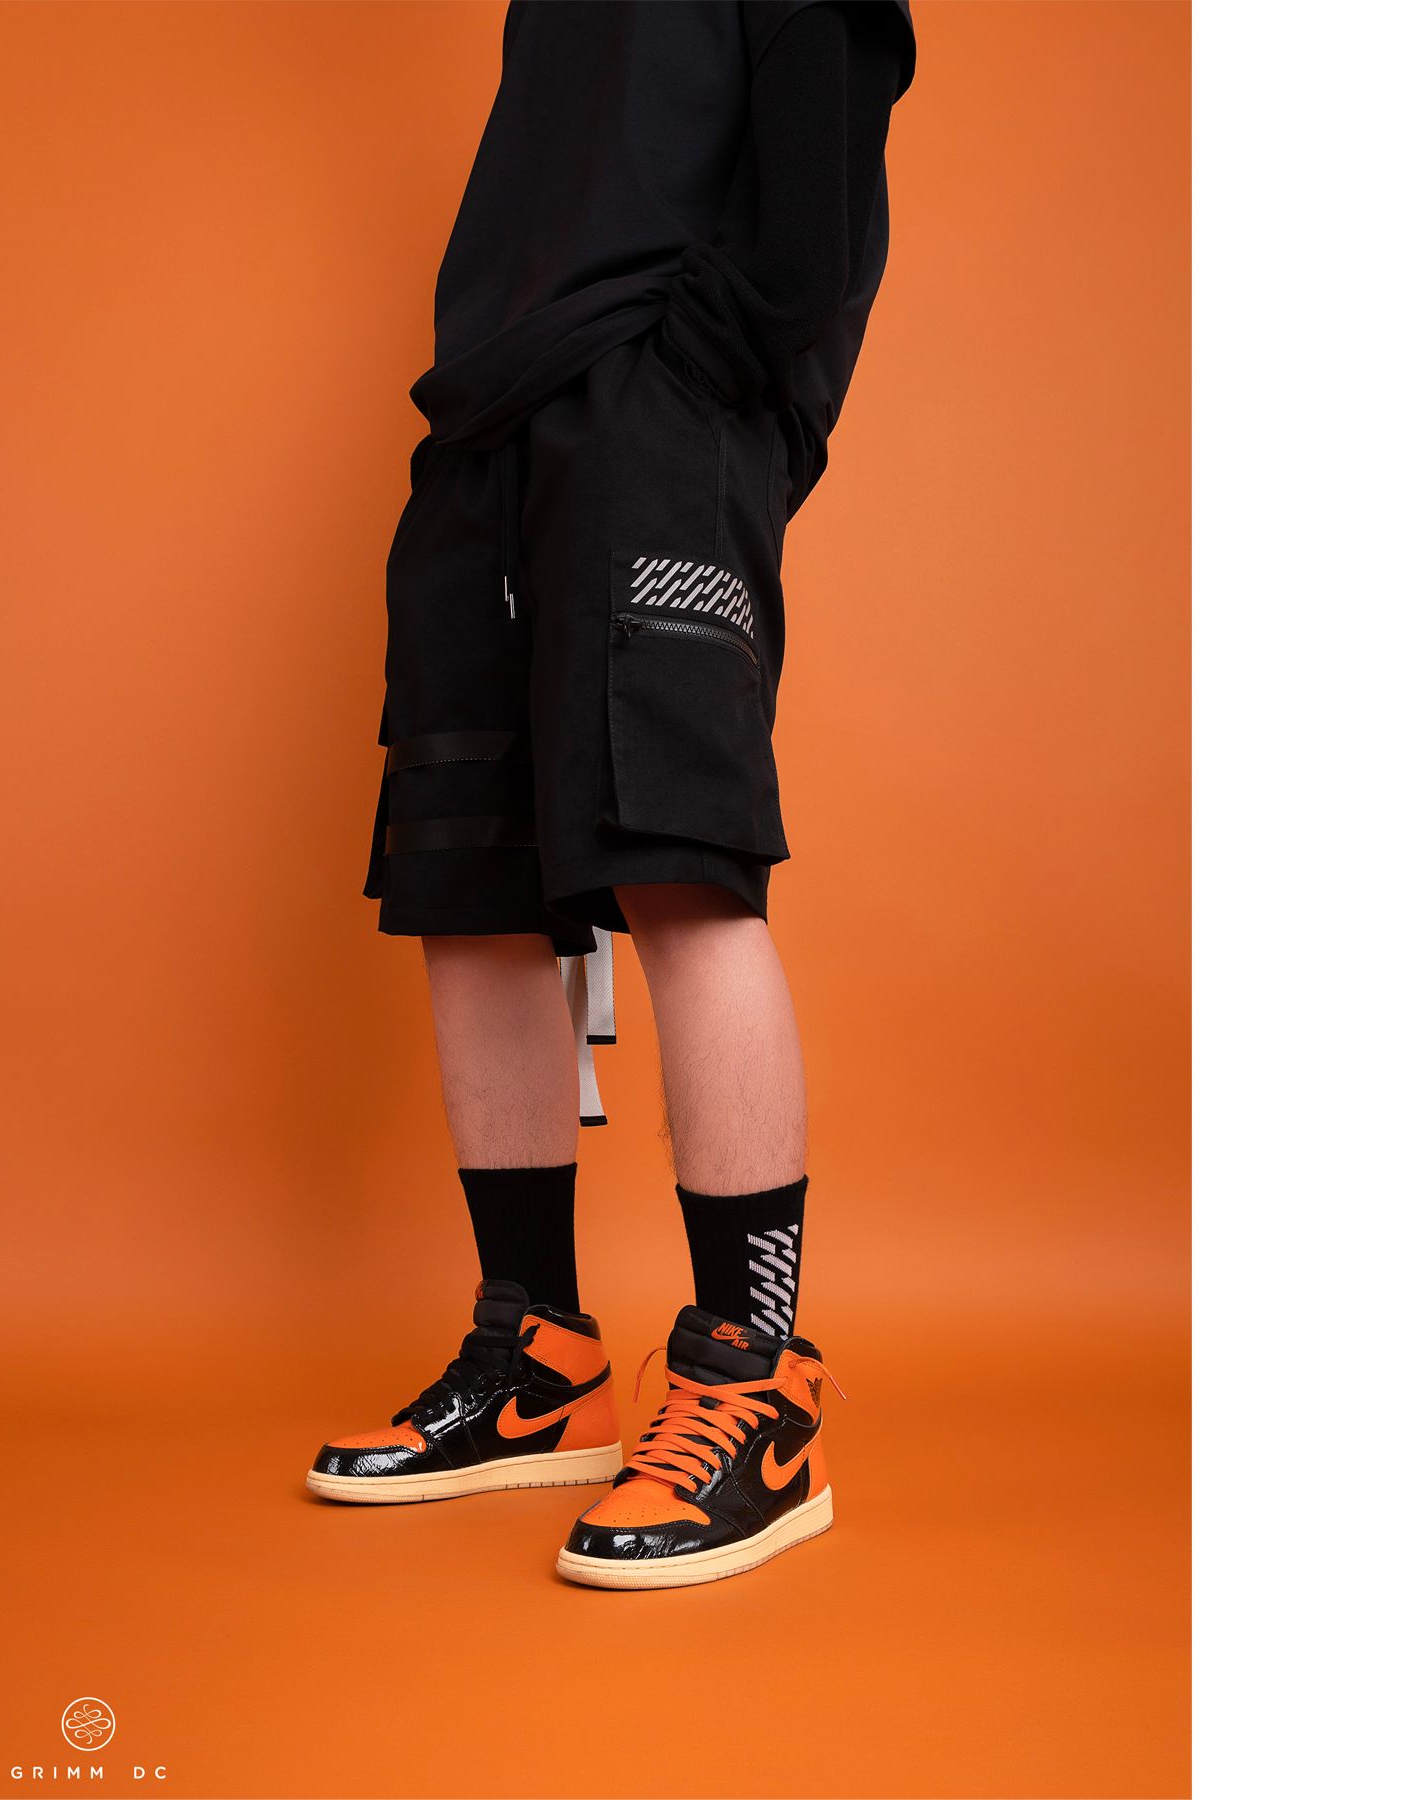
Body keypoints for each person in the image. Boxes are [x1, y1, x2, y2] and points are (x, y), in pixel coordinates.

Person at [307, 0, 916, 1590]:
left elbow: (820, 197)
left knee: (677, 860)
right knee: (472, 882)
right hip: (486, 425)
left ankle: (755, 1384)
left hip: (654, 414)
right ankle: (540, 1357)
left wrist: (695, 372)